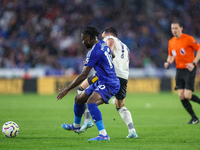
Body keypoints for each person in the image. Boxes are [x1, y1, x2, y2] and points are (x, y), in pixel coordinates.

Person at [56, 26, 120, 141]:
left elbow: (83, 75)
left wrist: (67, 89)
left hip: (109, 82)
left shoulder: (93, 52)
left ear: (89, 38)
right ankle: (76, 126)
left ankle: (103, 135)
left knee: (91, 102)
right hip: (102, 80)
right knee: (79, 99)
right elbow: (112, 54)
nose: (82, 42)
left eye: (83, 39)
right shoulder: (102, 44)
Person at [77, 27, 138, 138]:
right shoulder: (125, 47)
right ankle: (132, 131)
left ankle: (87, 120)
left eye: (102, 34)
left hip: (110, 75)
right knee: (120, 106)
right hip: (123, 77)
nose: (101, 36)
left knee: (81, 89)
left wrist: (94, 59)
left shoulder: (109, 39)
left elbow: (109, 45)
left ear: (106, 33)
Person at [164, 21, 200, 124]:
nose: (174, 30)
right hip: (179, 70)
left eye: (176, 28)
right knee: (181, 95)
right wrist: (168, 62)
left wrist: (193, 63)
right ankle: (194, 118)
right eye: (172, 28)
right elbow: (171, 55)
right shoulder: (171, 42)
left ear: (181, 28)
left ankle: (194, 118)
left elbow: (199, 49)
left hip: (189, 69)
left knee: (188, 95)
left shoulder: (188, 39)